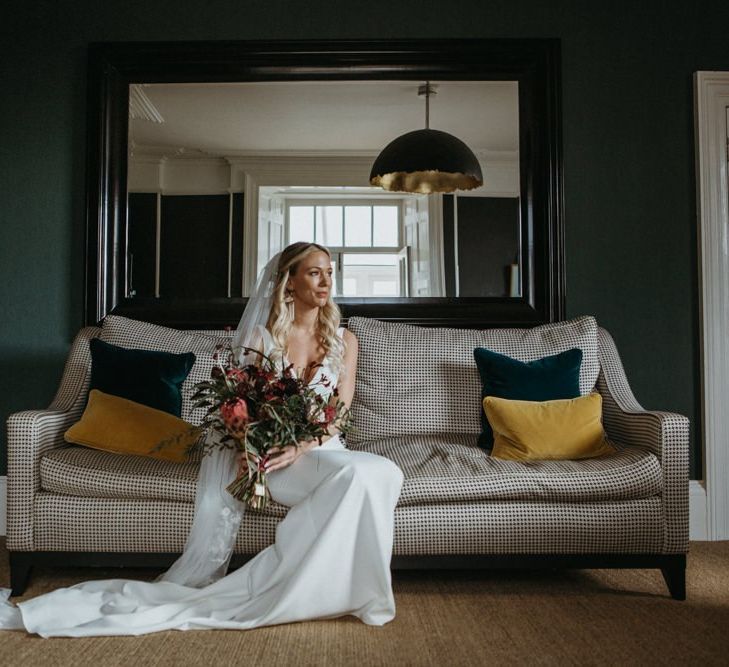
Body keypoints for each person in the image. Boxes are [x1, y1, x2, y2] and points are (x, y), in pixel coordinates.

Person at [0, 242, 405, 637]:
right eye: (315, 272)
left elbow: (340, 413)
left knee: (381, 472)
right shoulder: (262, 339)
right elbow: (242, 411)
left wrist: (301, 444)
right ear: (289, 282)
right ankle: (338, 593)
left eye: (329, 273)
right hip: (274, 462)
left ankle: (332, 588)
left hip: (320, 452)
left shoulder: (344, 341)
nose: (326, 282)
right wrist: (255, 444)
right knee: (368, 475)